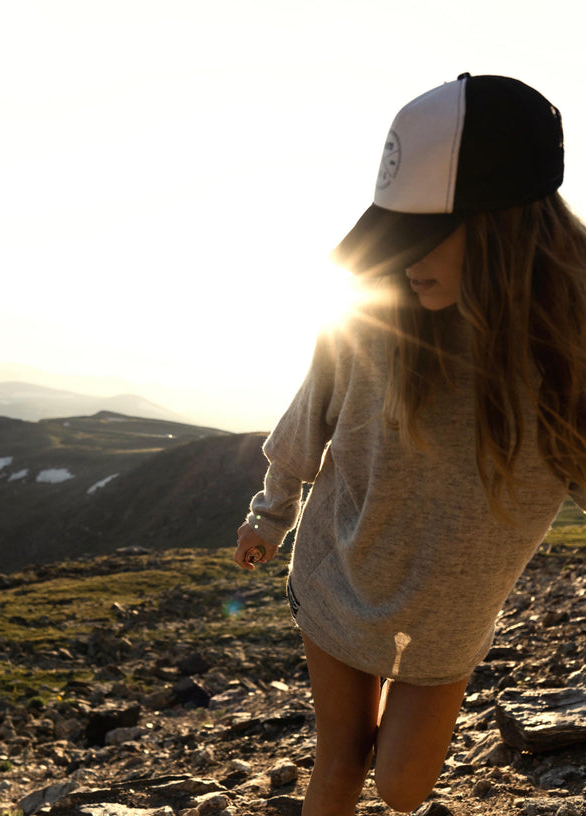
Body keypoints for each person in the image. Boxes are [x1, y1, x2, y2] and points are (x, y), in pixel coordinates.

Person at [233, 73, 586, 815]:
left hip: (451, 615)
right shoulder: (372, 313)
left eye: (419, 237)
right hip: (342, 568)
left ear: (504, 228)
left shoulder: (569, 353)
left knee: (401, 788)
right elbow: (310, 414)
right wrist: (270, 513)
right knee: (339, 766)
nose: (402, 260)